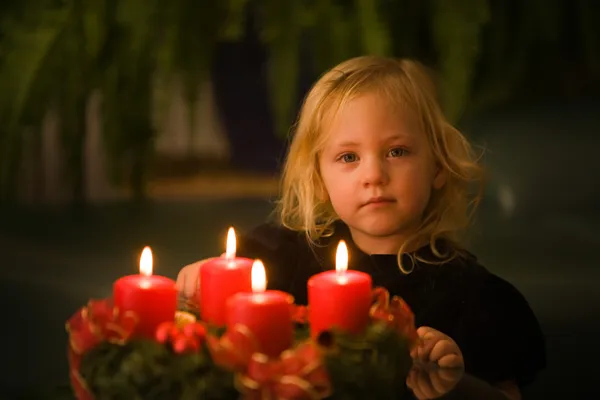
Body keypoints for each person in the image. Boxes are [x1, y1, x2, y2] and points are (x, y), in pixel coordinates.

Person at [177, 56, 546, 399]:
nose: (374, 175)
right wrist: (203, 281)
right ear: (320, 179)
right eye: (348, 157)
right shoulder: (280, 259)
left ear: (437, 166)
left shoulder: (479, 299)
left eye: (396, 151)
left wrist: (455, 380)